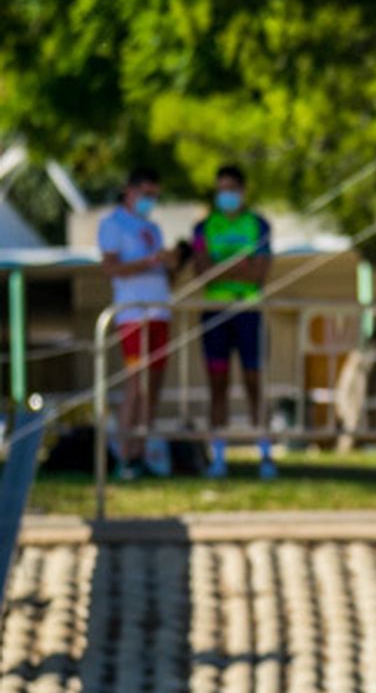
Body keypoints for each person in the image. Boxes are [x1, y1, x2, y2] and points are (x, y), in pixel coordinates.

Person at [192, 165, 274, 479]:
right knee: (217, 386)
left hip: (248, 312)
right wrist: (238, 265)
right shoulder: (203, 227)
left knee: (255, 382)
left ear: (242, 190)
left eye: (231, 188)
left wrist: (221, 266)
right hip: (214, 312)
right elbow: (202, 271)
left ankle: (265, 455)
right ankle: (219, 458)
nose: (225, 195)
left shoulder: (258, 224)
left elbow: (259, 272)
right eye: (220, 189)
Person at [97, 168, 175, 479]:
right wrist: (148, 262)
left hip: (159, 313)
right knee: (136, 384)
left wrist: (171, 261)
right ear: (129, 191)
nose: (149, 200)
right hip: (133, 315)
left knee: (153, 386)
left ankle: (142, 453)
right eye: (145, 193)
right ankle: (125, 455)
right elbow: (111, 267)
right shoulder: (112, 224)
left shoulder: (153, 227)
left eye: (154, 195)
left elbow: (162, 270)